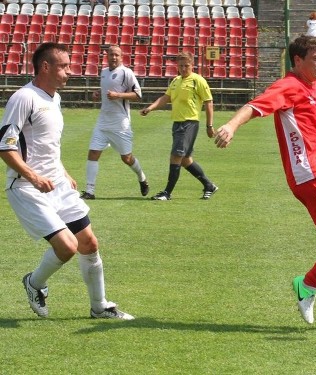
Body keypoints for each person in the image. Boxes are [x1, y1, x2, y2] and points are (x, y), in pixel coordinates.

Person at [213, 35, 316, 326]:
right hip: (311, 175)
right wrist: (230, 125)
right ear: (298, 61)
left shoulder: (311, 82)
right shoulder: (288, 86)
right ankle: (312, 286)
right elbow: (255, 106)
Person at [0, 42, 134, 320]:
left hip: (56, 183)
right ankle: (34, 283)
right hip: (26, 187)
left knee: (89, 244)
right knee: (67, 247)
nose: (69, 72)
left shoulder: (55, 98)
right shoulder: (24, 98)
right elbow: (6, 147)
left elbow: (45, 145)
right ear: (45, 67)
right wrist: (34, 176)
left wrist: (63, 171)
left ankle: (100, 307)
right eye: (64, 66)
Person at [140, 51, 218, 201]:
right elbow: (165, 98)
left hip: (189, 123)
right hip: (177, 124)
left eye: (186, 65)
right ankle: (209, 185)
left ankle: (167, 193)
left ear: (192, 65)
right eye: (181, 66)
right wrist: (150, 108)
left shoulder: (198, 80)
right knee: (185, 159)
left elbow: (209, 103)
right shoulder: (176, 81)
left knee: (176, 156)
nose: (183, 68)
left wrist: (209, 126)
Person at [80, 45, 149, 200]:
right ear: (107, 56)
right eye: (111, 54)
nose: (114, 57)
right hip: (103, 122)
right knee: (93, 153)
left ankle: (142, 178)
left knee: (127, 158)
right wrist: (98, 93)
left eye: (116, 55)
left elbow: (138, 95)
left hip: (120, 123)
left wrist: (118, 95)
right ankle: (89, 191)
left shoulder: (126, 73)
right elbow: (105, 90)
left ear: (121, 56)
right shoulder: (104, 72)